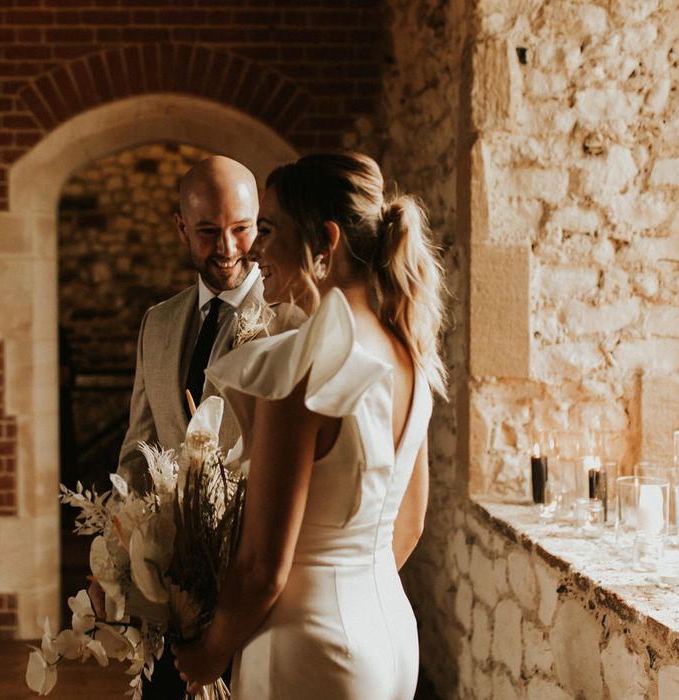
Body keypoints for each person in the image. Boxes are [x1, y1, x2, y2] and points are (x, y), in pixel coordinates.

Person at [173, 152, 447, 699]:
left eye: (268, 229)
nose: (253, 250)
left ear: (324, 242)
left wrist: (208, 654)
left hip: (307, 648)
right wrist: (349, 594)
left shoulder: (300, 365)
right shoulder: (408, 352)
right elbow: (410, 522)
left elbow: (261, 567)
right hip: (389, 635)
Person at [106, 155, 302, 699]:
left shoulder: (293, 322)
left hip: (258, 598)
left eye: (242, 230)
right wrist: (114, 562)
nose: (228, 249)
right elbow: (136, 453)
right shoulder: (158, 322)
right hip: (168, 598)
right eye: (209, 232)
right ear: (180, 228)